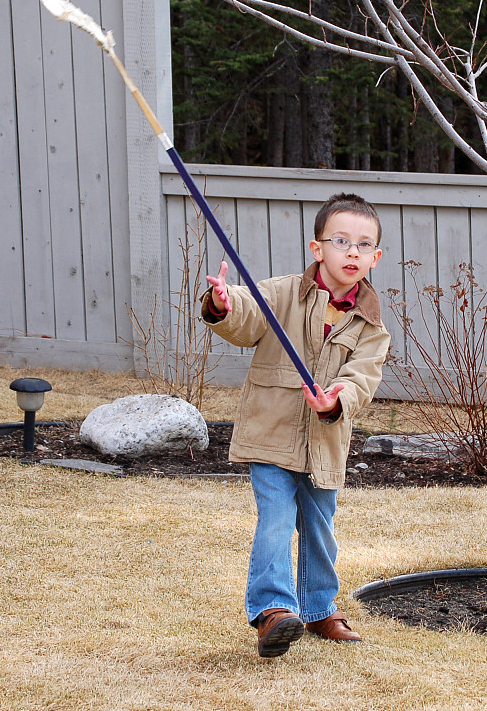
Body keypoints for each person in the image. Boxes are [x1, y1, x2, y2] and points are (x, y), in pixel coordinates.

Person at [200, 192, 390, 658]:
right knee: (277, 521)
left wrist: (334, 402)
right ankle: (272, 612)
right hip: (271, 435)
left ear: (376, 258)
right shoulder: (283, 293)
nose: (352, 252)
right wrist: (224, 303)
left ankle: (319, 607)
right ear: (316, 248)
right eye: (340, 240)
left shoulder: (372, 327)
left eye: (364, 245)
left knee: (320, 528)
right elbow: (245, 316)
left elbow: (361, 378)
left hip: (324, 442)